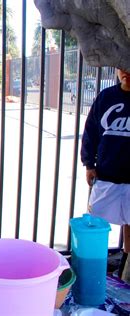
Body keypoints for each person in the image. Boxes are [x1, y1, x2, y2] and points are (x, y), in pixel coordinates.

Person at [81, 68, 130, 279]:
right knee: (94, 226)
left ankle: (125, 274)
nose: (126, 72)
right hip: (106, 175)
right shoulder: (106, 97)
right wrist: (88, 164)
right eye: (122, 67)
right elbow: (90, 131)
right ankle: (91, 274)